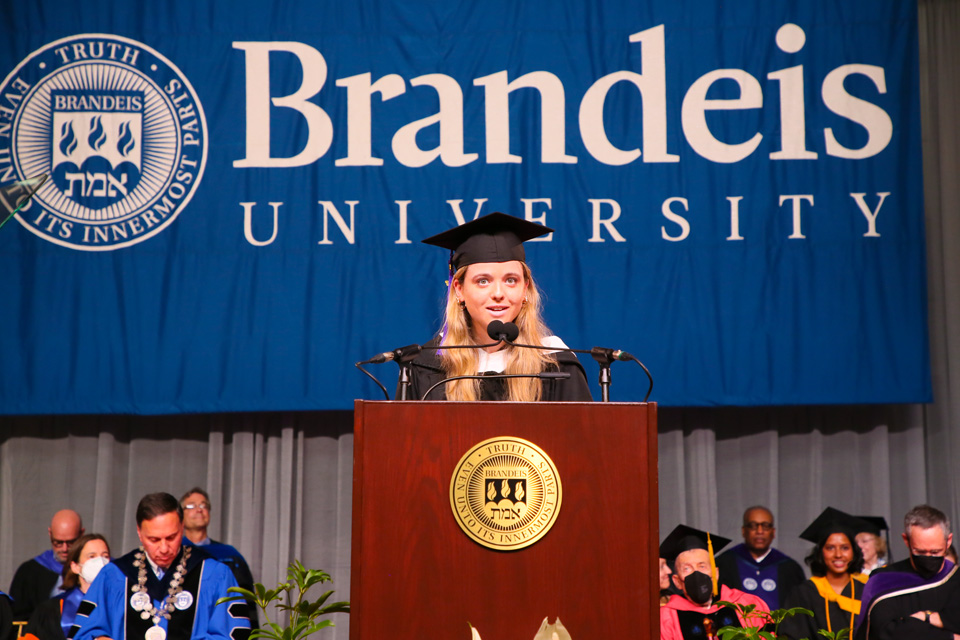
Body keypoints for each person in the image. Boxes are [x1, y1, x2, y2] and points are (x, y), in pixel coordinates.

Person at [399, 212, 592, 402]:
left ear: (525, 288)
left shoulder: (556, 364)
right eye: (483, 281)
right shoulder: (424, 366)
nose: (498, 293)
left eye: (511, 280)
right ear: (459, 290)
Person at [74, 492, 250, 640]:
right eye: (154, 540)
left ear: (182, 528)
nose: (164, 548)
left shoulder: (214, 574)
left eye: (171, 537)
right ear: (139, 533)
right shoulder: (114, 576)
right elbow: (84, 632)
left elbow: (232, 633)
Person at [855, 504, 960, 640]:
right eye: (920, 551)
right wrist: (951, 636)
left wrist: (926, 617)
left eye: (935, 552)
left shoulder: (956, 579)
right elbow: (888, 633)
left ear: (948, 541)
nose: (928, 557)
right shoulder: (883, 580)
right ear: (906, 540)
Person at [659, 525, 770, 640]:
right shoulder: (667, 618)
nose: (696, 574)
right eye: (687, 569)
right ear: (677, 581)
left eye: (702, 566)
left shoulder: (746, 604)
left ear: (715, 574)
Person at [779, 508, 869, 640]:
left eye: (845, 548)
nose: (838, 554)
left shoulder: (866, 592)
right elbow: (790, 635)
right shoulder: (803, 594)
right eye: (830, 548)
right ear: (821, 552)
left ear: (853, 552)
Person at [179, 488, 257, 627]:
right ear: (180, 516)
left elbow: (245, 600)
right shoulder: (172, 555)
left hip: (221, 628)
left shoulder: (229, 555)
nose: (199, 510)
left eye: (203, 505)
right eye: (191, 506)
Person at [22, 534, 111, 640]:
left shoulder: (120, 605)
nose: (100, 562)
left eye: (105, 556)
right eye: (91, 556)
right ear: (75, 566)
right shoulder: (49, 611)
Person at [716, 505, 806, 610]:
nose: (759, 531)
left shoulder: (789, 568)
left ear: (773, 532)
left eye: (766, 526)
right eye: (753, 525)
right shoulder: (725, 563)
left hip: (779, 626)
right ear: (744, 531)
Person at [9, 510, 85, 620]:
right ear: (50, 534)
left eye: (71, 542)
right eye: (58, 542)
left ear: (81, 534)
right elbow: (17, 618)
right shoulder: (29, 572)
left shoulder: (92, 571)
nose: (64, 549)